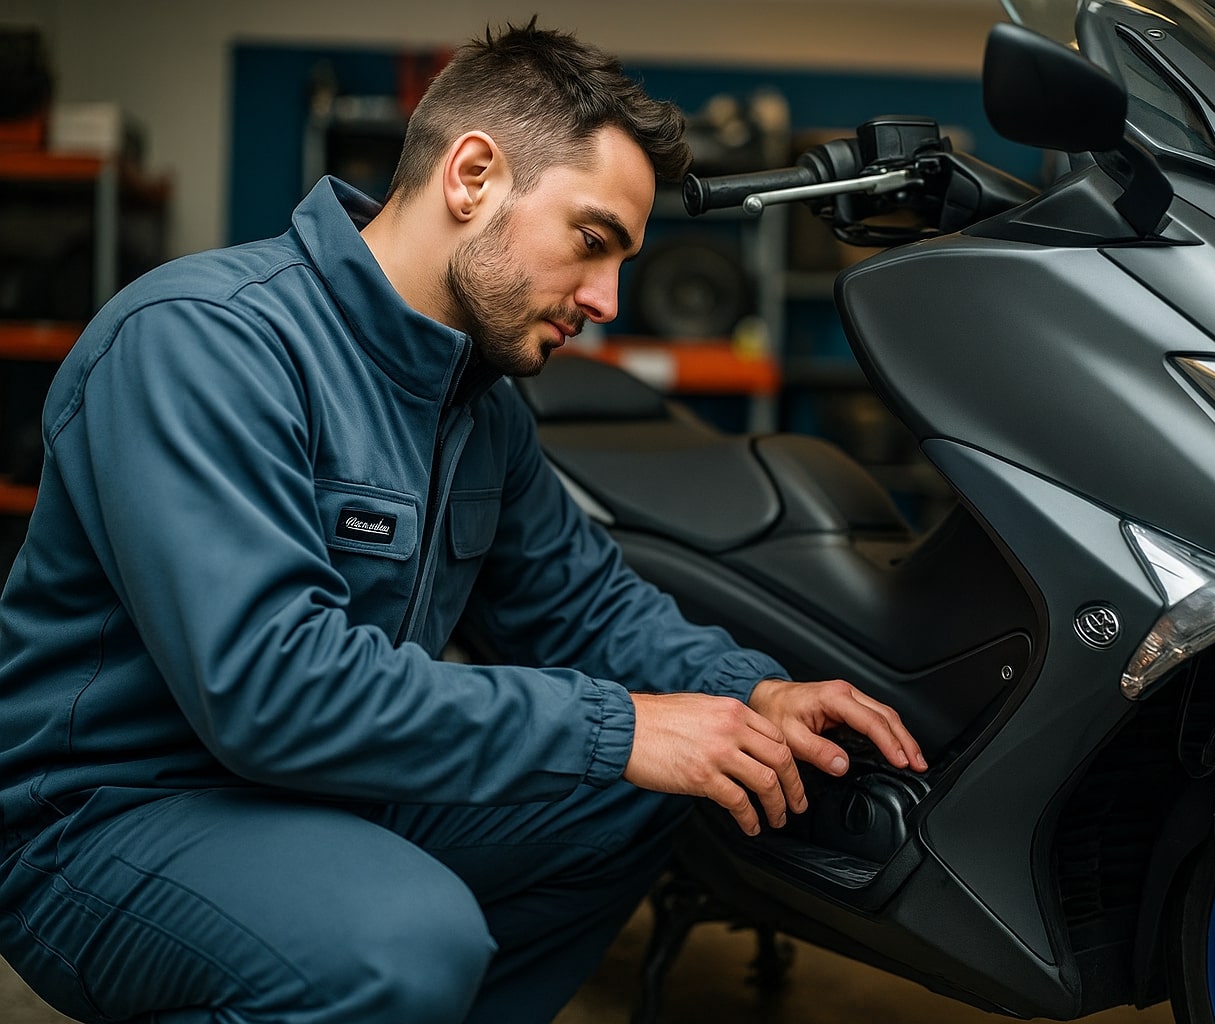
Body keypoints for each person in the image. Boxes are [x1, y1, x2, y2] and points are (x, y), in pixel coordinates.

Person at [0, 19, 925, 1024]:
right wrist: (619, 727)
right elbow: (270, 688)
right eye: (592, 240)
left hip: (319, 782)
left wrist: (755, 694)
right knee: (402, 938)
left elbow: (588, 609)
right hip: (106, 814)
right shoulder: (203, 343)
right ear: (473, 175)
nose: (610, 299)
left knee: (665, 782)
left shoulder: (478, 406)